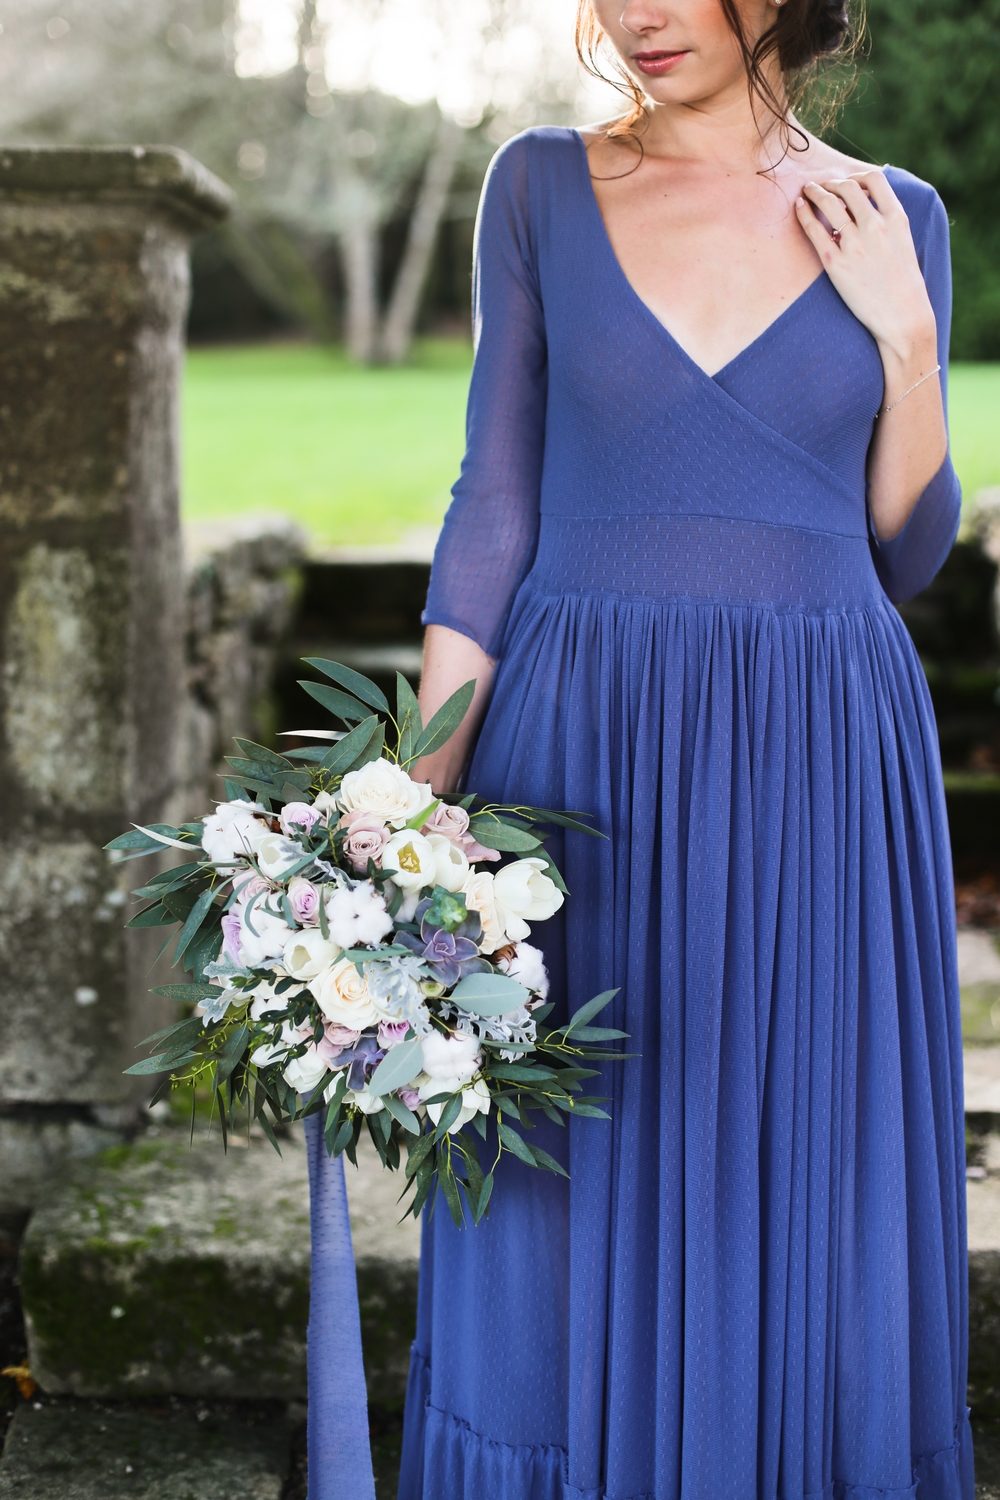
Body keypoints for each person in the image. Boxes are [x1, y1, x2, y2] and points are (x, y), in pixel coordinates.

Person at [396, 1, 971, 1496]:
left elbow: (907, 548)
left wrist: (908, 340)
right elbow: (492, 506)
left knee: (803, 1150)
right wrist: (406, 815)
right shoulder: (538, 185)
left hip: (819, 753)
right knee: (554, 1162)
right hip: (577, 752)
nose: (636, 13)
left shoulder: (895, 215)